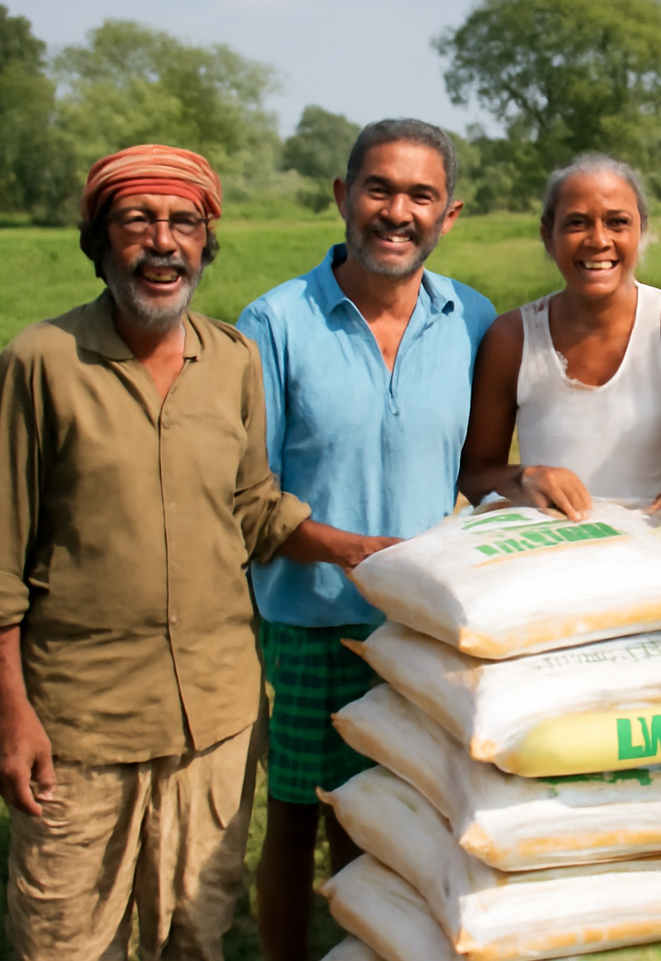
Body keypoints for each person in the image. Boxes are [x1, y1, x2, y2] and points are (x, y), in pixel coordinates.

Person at [0, 145, 394, 960]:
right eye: (138, 221)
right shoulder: (40, 364)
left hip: (217, 716)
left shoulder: (230, 359)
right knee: (66, 939)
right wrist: (11, 717)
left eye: (184, 223)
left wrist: (361, 550)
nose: (163, 243)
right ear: (100, 239)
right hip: (82, 719)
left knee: (196, 931)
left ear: (204, 242)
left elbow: (252, 505)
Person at [235, 119, 496, 960]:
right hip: (312, 619)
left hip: (424, 628)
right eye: (379, 189)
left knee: (403, 813)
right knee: (297, 817)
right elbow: (248, 495)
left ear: (449, 213)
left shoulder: (471, 318)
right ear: (343, 196)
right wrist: (349, 550)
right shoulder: (275, 322)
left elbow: (483, 465)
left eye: (421, 195)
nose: (397, 211)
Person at [459, 152, 661, 521]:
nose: (598, 240)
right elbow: (475, 476)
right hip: (552, 546)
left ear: (641, 231)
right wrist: (524, 478)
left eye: (617, 222)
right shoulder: (513, 339)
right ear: (548, 236)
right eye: (576, 223)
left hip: (650, 545)